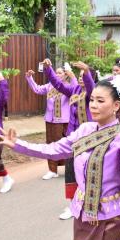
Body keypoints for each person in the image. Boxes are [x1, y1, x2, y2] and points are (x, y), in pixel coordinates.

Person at [0, 80, 120, 240]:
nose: (94, 105)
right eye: (92, 100)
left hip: (111, 220)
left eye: (100, 100)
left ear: (116, 105)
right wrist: (19, 144)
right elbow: (55, 149)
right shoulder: (85, 130)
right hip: (83, 215)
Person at [43, 60, 97, 220]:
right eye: (79, 76)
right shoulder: (73, 90)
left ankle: (91, 203)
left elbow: (90, 86)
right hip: (73, 138)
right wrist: (48, 69)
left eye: (83, 76)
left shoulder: (93, 94)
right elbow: (57, 85)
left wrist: (86, 71)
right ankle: (72, 205)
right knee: (71, 172)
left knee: (89, 172)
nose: (80, 79)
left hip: (89, 140)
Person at [25, 66, 76, 179]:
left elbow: (76, 89)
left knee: (66, 144)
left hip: (65, 121)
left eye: (60, 73)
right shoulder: (49, 86)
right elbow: (37, 89)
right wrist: (29, 78)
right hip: (51, 121)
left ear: (65, 74)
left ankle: (71, 167)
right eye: (56, 73)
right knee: (51, 145)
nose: (57, 75)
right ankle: (52, 170)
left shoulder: (68, 87)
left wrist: (72, 76)